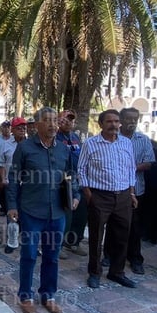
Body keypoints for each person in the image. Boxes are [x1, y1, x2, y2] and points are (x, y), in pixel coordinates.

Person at [7, 107, 79, 313]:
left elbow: (71, 175)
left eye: (55, 121)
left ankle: (48, 296)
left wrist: (75, 195)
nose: (52, 125)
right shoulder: (25, 148)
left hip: (57, 213)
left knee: (52, 257)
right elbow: (13, 178)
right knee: (29, 255)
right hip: (31, 211)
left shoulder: (63, 150)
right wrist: (12, 205)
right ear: (36, 125)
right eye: (47, 120)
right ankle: (25, 296)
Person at [77, 109, 137, 289]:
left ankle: (117, 272)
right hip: (100, 196)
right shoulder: (90, 144)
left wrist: (132, 193)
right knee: (96, 237)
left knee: (122, 236)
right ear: (101, 124)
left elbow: (131, 169)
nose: (114, 125)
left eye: (117, 121)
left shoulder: (126, 143)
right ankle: (94, 273)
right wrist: (89, 195)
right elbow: (81, 170)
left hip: (124, 196)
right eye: (109, 121)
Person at [116, 107, 155, 275]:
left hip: (136, 190)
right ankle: (110, 255)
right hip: (115, 188)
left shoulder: (143, 140)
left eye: (135, 119)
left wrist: (129, 168)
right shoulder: (112, 138)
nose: (132, 122)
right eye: (128, 118)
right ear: (121, 120)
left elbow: (149, 162)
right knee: (114, 225)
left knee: (134, 226)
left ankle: (135, 258)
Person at [56, 109, 88, 257]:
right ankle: (59, 244)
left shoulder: (75, 137)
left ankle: (74, 242)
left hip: (79, 179)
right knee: (66, 213)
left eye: (71, 120)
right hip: (63, 180)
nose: (68, 122)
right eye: (65, 119)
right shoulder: (55, 137)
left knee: (81, 213)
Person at [0, 116, 28, 253]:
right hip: (12, 183)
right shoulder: (6, 144)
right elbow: (1, 164)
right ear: (13, 130)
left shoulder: (31, 144)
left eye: (24, 128)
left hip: (29, 185)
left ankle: (26, 241)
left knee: (28, 214)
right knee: (12, 212)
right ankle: (12, 241)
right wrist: (3, 179)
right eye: (19, 128)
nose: (22, 130)